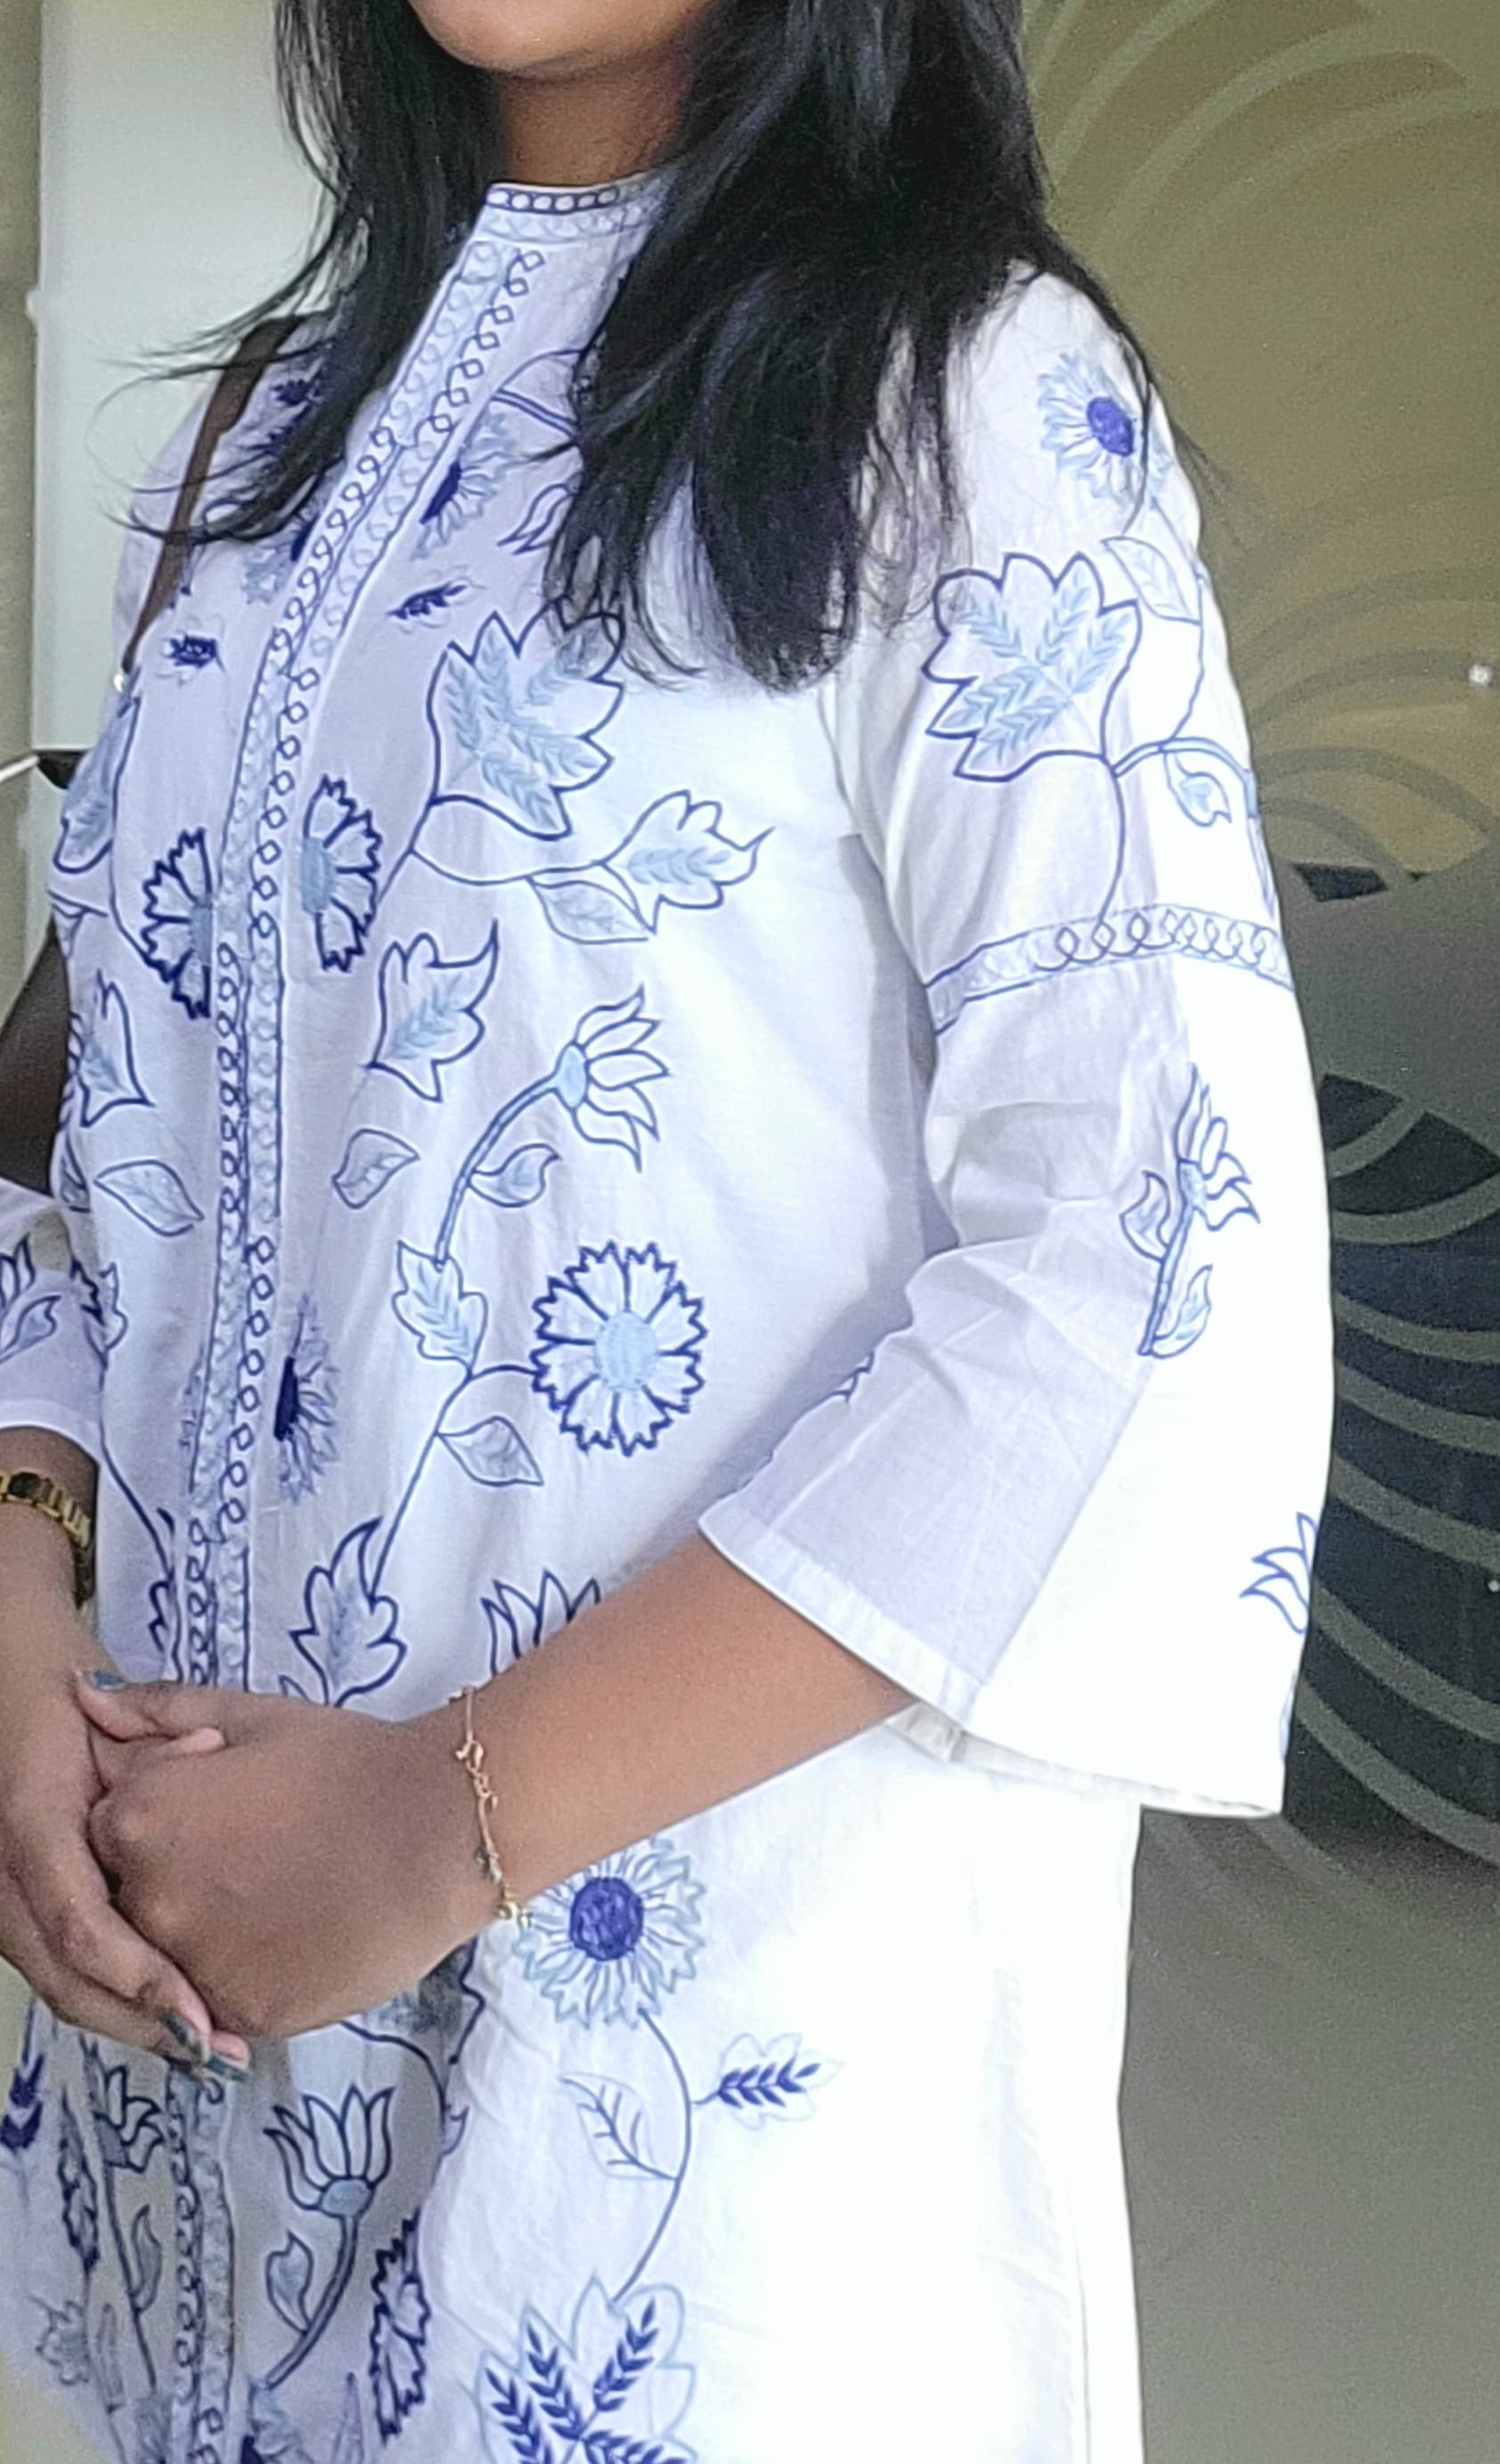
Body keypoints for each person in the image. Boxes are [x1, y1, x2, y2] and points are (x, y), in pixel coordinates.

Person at [0, 0, 1334, 2455]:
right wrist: (14, 1593)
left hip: (688, 2064)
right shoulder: (264, 433)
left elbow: (1144, 1274)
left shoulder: (956, 399)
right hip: (198, 2029)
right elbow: (100, 1134)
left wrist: (433, 1820)